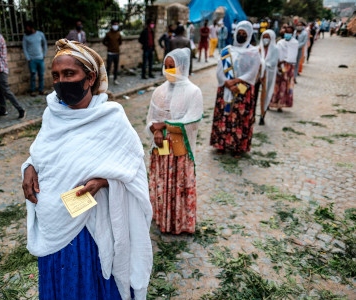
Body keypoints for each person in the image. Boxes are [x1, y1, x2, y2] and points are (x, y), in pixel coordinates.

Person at [21, 39, 153, 300]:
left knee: (86, 282)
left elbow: (133, 167)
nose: (61, 81)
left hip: (88, 227)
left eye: (70, 74)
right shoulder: (53, 114)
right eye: (56, 76)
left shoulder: (111, 117)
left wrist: (105, 181)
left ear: (90, 77)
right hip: (53, 221)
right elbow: (42, 152)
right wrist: (29, 167)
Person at [145, 48, 203, 234]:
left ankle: (179, 223)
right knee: (162, 183)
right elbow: (150, 119)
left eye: (173, 67)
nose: (168, 70)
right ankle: (162, 219)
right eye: (166, 66)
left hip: (180, 152)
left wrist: (164, 125)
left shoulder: (193, 92)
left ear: (182, 67)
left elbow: (192, 121)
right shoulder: (159, 91)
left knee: (178, 186)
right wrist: (155, 130)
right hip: (161, 150)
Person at [210, 21, 261, 156]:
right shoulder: (226, 50)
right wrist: (227, 83)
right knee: (224, 116)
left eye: (245, 34)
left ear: (250, 35)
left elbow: (252, 72)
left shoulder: (253, 52)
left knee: (239, 117)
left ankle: (238, 147)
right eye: (240, 33)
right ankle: (221, 144)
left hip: (243, 88)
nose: (241, 36)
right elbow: (219, 70)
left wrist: (236, 82)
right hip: (225, 87)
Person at [269, 25, 298, 112]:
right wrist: (277, 62)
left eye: (289, 32)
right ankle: (271, 102)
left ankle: (281, 104)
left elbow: (292, 56)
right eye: (286, 32)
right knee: (275, 85)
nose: (287, 34)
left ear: (292, 33)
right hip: (278, 65)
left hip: (288, 67)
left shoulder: (295, 43)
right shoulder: (280, 42)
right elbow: (276, 53)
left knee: (285, 85)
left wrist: (283, 61)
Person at [258, 29, 279, 125]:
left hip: (268, 75)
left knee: (265, 95)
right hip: (257, 75)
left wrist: (263, 66)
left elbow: (273, 63)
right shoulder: (258, 48)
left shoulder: (275, 49)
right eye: (264, 37)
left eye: (268, 37)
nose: (265, 39)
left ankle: (262, 115)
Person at [22, 20, 48, 97]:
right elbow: (25, 48)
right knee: (33, 75)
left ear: (31, 27)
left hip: (40, 58)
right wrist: (28, 58)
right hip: (32, 60)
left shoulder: (40, 34)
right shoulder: (25, 36)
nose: (26, 29)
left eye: (27, 28)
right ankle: (32, 90)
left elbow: (45, 45)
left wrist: (44, 55)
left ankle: (41, 90)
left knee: (41, 75)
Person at [102, 20, 122, 85]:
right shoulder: (108, 34)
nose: (115, 26)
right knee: (108, 67)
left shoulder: (118, 34)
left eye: (116, 24)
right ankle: (106, 81)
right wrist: (109, 46)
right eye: (114, 24)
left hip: (117, 53)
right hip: (110, 53)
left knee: (116, 67)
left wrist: (116, 46)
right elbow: (104, 41)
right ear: (112, 25)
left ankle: (115, 79)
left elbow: (120, 42)